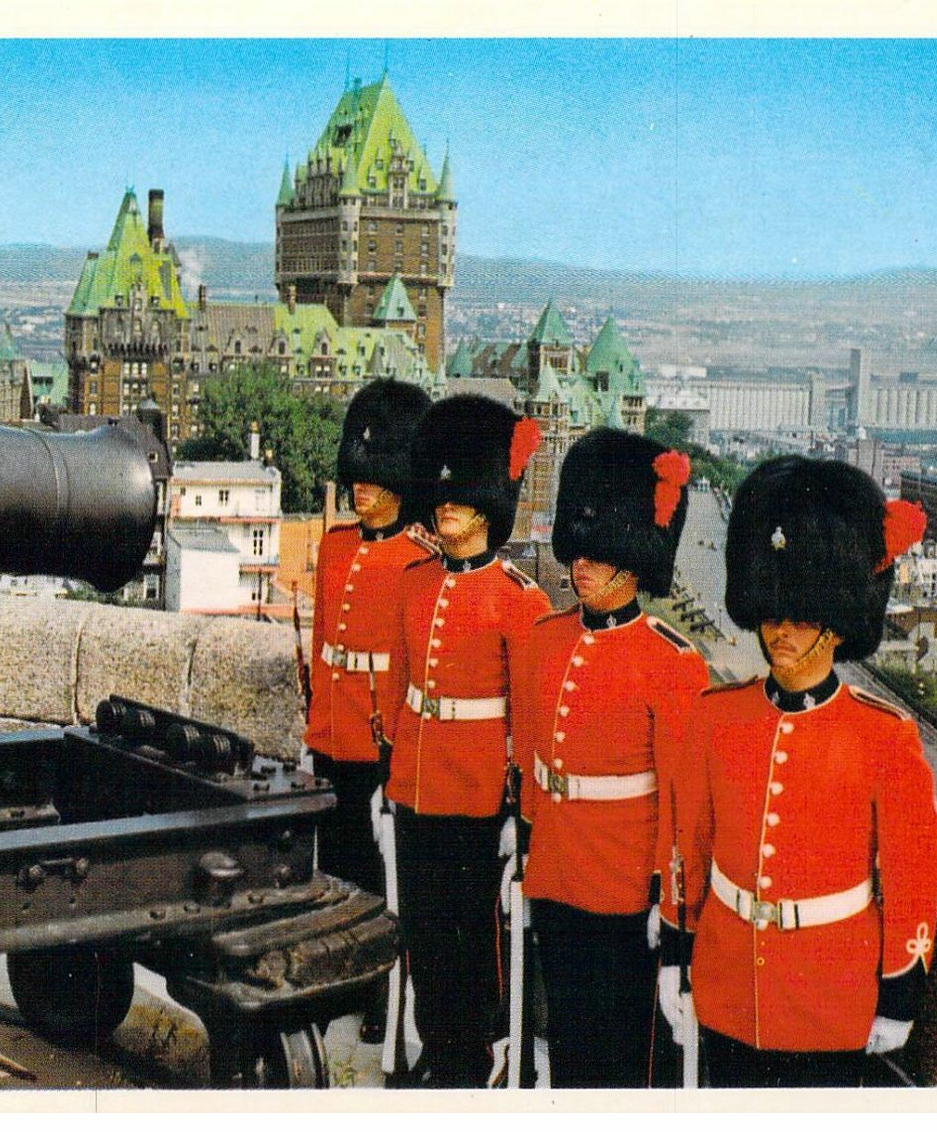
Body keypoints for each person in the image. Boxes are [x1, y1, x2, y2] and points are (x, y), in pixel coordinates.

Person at [658, 455, 937, 1088]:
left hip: (828, 999)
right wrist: (677, 954)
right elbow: (689, 849)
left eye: (803, 616)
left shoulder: (883, 736)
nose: (780, 630)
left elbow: (911, 872)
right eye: (773, 612)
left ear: (836, 628)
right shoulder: (714, 718)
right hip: (728, 983)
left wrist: (899, 989)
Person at [515, 428, 710, 1087]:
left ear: (635, 561)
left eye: (601, 556)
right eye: (581, 553)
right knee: (567, 1040)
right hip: (555, 872)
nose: (582, 568)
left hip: (626, 889)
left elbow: (683, 809)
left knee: (619, 1056)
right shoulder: (546, 638)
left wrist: (672, 910)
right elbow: (532, 763)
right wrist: (523, 850)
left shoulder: (672, 662)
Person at [385, 393, 553, 1087]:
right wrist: (390, 778)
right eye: (442, 498)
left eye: (462, 500)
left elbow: (531, 723)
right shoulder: (413, 585)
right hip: (417, 787)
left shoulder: (521, 601)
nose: (446, 508)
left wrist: (521, 815)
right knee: (422, 933)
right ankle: (435, 1048)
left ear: (489, 507)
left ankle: (472, 1056)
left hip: (479, 794)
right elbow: (401, 693)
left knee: (470, 940)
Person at [303, 378, 433, 1044]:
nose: (362, 489)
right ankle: (337, 986)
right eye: (358, 476)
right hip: (332, 733)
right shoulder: (333, 548)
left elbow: (414, 670)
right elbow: (326, 646)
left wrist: (398, 756)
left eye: (375, 480)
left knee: (380, 889)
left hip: (379, 746)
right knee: (333, 875)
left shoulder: (418, 563)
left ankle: (384, 995)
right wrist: (313, 730)